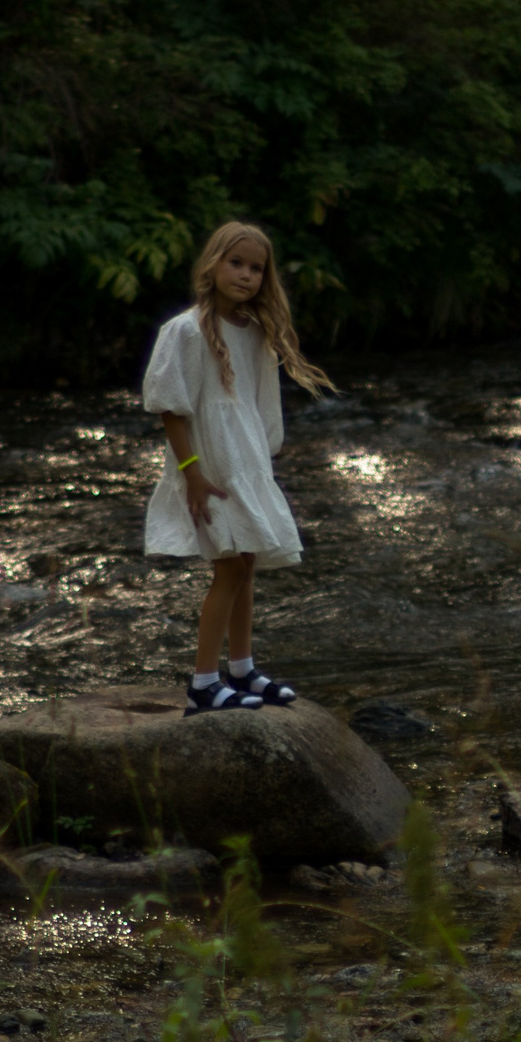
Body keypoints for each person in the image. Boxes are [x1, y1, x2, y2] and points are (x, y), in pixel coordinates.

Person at [141, 220, 335, 715]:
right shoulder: (184, 331)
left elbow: (259, 404)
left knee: (246, 564)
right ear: (213, 264)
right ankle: (203, 683)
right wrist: (192, 474)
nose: (246, 275)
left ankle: (242, 669)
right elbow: (170, 406)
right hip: (206, 469)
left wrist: (262, 458)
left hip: (242, 463)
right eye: (236, 263)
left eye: (256, 268)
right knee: (228, 569)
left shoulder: (256, 334)